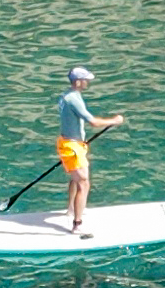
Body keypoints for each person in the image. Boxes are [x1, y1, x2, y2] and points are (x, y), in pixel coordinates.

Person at [53, 65, 126, 236]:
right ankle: (77, 225)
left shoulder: (65, 96)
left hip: (70, 143)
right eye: (85, 80)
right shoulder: (74, 99)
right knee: (83, 183)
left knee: (75, 177)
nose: (87, 83)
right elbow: (92, 122)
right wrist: (114, 121)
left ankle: (71, 209)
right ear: (78, 82)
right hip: (72, 147)